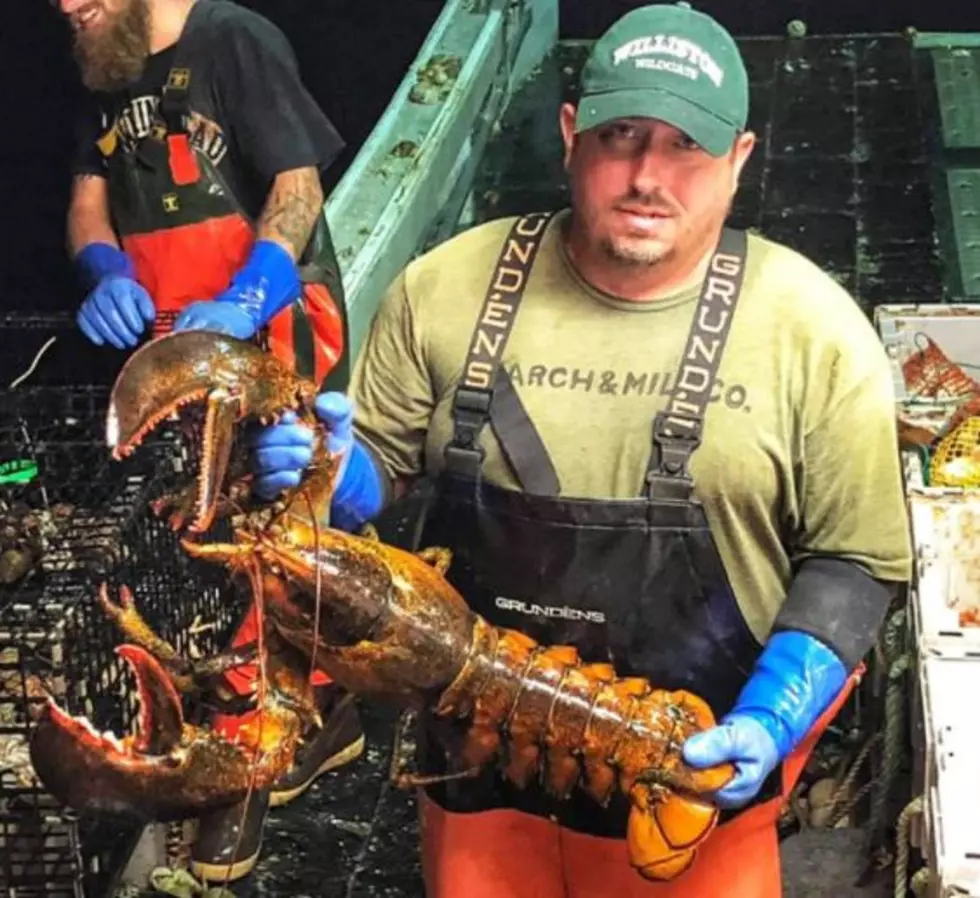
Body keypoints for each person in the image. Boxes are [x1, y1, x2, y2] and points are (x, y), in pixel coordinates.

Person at [248, 3, 913, 896]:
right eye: (622, 134)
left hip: (689, 805)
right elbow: (383, 462)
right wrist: (331, 465)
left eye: (687, 145)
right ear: (570, 134)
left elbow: (857, 561)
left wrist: (770, 716)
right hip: (478, 793)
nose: (648, 175)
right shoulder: (446, 287)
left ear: (741, 160)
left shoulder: (815, 334)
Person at [58, 0, 363, 882]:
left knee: (275, 537)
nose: (69, 5)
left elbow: (297, 187)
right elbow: (88, 201)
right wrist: (101, 266)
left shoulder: (234, 39)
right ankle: (316, 715)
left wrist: (250, 291)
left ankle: (258, 747)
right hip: (166, 353)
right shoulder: (102, 58)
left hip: (265, 333)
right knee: (191, 534)